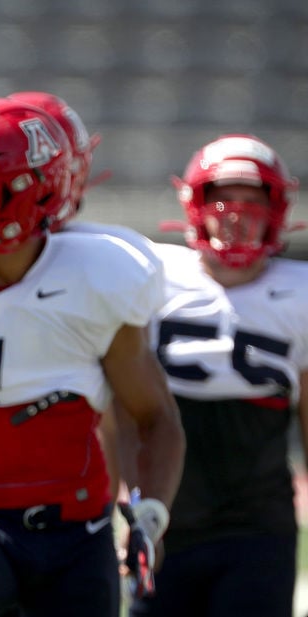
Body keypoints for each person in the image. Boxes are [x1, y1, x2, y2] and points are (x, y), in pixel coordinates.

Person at [0, 97, 185, 617]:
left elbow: (154, 416)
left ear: (31, 195)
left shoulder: (99, 273)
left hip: (76, 526)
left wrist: (149, 515)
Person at [127, 134, 307, 617]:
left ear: (278, 207)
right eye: (223, 196)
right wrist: (122, 501)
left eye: (254, 199)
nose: (237, 212)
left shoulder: (301, 292)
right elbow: (120, 403)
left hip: (257, 520)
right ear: (195, 203)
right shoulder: (150, 273)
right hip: (163, 511)